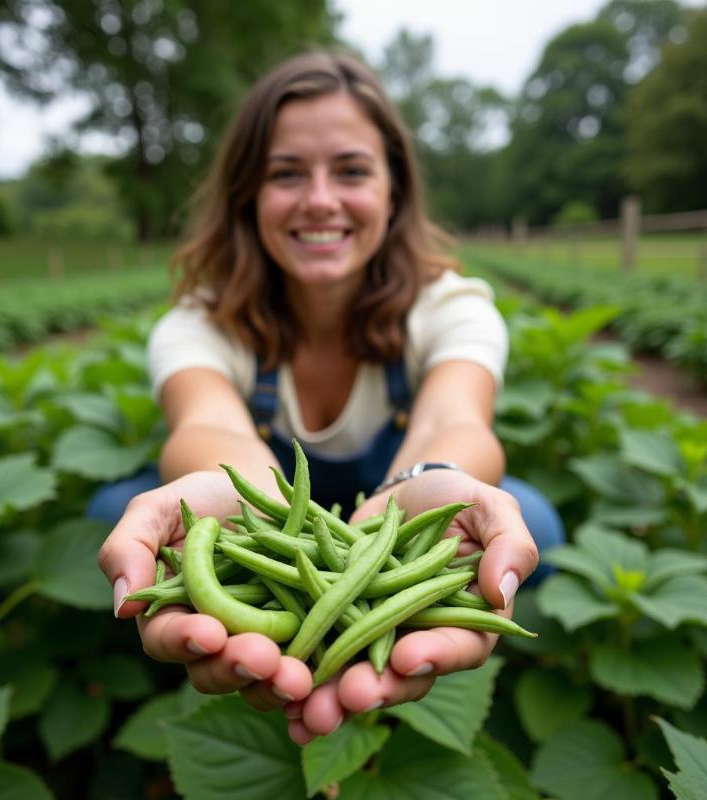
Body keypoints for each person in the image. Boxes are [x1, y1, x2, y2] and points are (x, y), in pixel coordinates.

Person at [97, 49, 562, 746]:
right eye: (286, 173)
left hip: (393, 500)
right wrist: (256, 505)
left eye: (350, 170)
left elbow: (451, 418)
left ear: (395, 190)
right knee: (116, 515)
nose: (319, 199)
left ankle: (367, 718)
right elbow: (210, 426)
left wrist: (422, 484)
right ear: (246, 194)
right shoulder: (198, 321)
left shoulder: (454, 307)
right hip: (271, 504)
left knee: (538, 525)